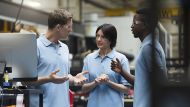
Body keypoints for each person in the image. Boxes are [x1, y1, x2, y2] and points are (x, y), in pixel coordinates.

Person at [29, 8, 88, 107]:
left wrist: (73, 79)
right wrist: (48, 78)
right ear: (58, 27)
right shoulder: (34, 46)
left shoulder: (64, 48)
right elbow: (25, 80)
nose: (71, 30)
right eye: (69, 27)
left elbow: (63, 76)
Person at [111, 8, 167, 107]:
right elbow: (141, 81)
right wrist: (122, 71)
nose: (132, 26)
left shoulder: (148, 48)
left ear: (145, 25)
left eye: (135, 23)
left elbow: (160, 80)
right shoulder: (147, 46)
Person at [82, 24, 131, 107]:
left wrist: (108, 82)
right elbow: (84, 88)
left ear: (111, 40)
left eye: (103, 37)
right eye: (97, 36)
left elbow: (126, 90)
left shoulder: (121, 59)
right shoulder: (89, 58)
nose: (99, 39)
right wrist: (95, 82)